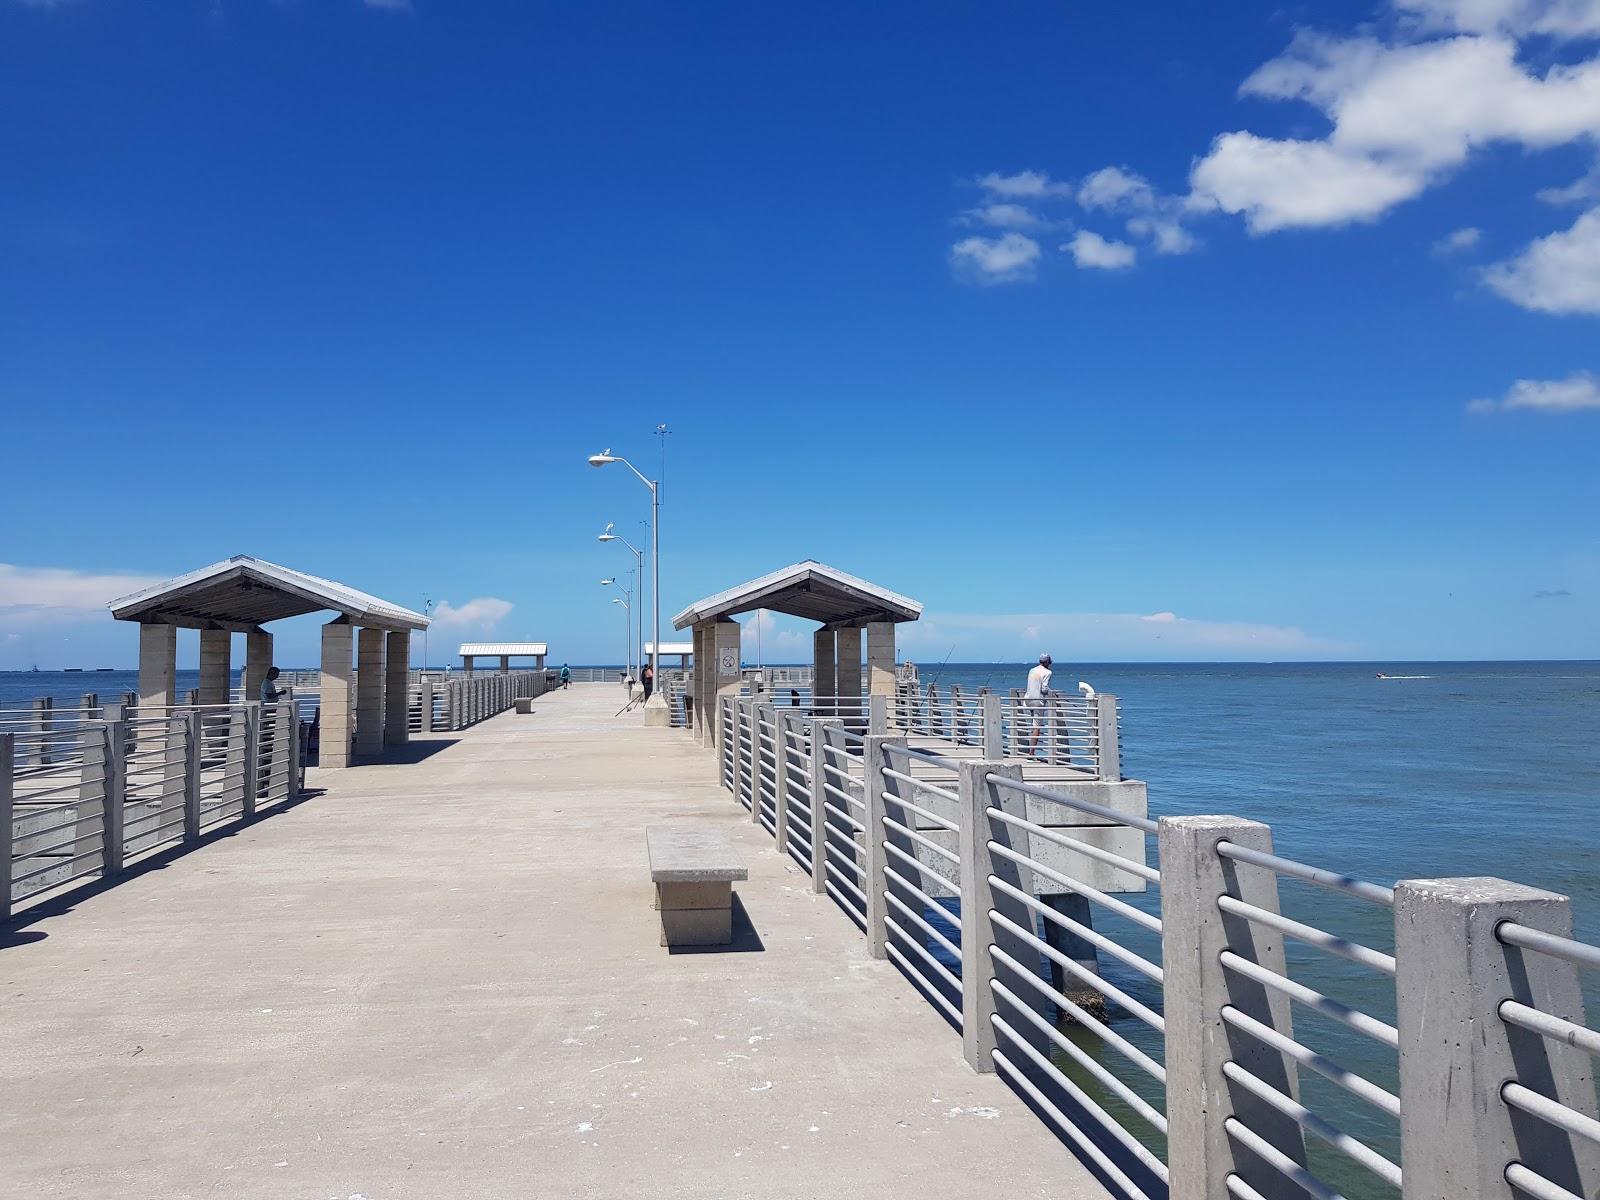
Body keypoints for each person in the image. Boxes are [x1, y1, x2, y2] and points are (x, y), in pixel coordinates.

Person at [1023, 653, 1052, 758]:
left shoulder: (1032, 670)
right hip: (1038, 702)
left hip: (1027, 700)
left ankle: (1029, 750)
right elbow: (1044, 688)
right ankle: (1031, 753)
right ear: (1048, 662)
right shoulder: (1048, 672)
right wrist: (1050, 692)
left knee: (1032, 726)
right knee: (1036, 727)